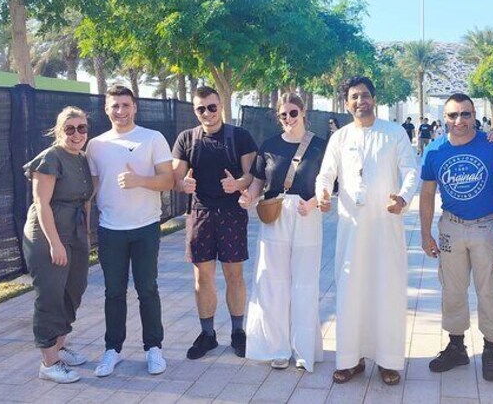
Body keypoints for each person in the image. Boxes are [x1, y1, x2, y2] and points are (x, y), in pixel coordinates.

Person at [315, 76, 418, 386]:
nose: (360, 101)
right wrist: (322, 192)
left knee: (387, 289)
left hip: (386, 227)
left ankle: (388, 361)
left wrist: (403, 197)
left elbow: (411, 169)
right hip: (351, 230)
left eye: (365, 95)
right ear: (347, 103)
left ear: (375, 98)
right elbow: (326, 173)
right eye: (354, 97)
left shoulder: (394, 133)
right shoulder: (340, 137)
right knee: (351, 291)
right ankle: (350, 360)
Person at [419, 93, 493, 383]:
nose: (459, 121)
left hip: (487, 227)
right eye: (452, 115)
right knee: (453, 290)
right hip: (451, 227)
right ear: (444, 118)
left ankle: (491, 349)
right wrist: (425, 234)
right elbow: (427, 194)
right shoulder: (434, 151)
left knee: (489, 290)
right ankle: (456, 347)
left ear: (475, 115)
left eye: (465, 114)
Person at [87, 85, 175, 377]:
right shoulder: (96, 145)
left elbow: (169, 181)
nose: (120, 111)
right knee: (114, 292)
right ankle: (113, 350)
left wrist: (140, 180)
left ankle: (154, 349)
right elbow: (94, 186)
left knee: (147, 289)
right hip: (110, 230)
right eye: (115, 106)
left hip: (145, 227)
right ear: (106, 109)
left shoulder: (152, 138)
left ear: (135, 107)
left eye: (125, 105)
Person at [239, 94, 327, 372]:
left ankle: (303, 350)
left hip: (306, 213)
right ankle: (276, 348)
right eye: (283, 115)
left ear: (303, 112)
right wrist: (248, 198)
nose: (288, 119)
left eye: (293, 113)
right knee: (272, 283)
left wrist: (313, 203)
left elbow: (331, 185)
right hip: (274, 214)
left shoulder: (320, 146)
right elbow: (258, 182)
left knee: (304, 283)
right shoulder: (269, 146)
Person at [172, 87, 258, 360]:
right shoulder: (186, 138)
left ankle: (237, 332)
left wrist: (237, 184)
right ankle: (207, 335)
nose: (207, 113)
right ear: (194, 111)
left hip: (232, 214)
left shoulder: (240, 137)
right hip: (200, 213)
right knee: (202, 277)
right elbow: (175, 178)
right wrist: (182, 183)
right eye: (201, 109)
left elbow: (251, 176)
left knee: (235, 276)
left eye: (211, 107)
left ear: (221, 105)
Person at [23, 107, 93, 384]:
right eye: (70, 128)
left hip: (75, 232)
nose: (77, 134)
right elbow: (42, 204)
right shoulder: (50, 158)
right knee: (50, 294)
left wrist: (85, 235)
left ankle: (59, 346)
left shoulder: (83, 159)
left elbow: (86, 200)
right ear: (59, 130)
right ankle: (48, 363)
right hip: (48, 233)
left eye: (82, 128)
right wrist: (55, 243)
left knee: (74, 289)